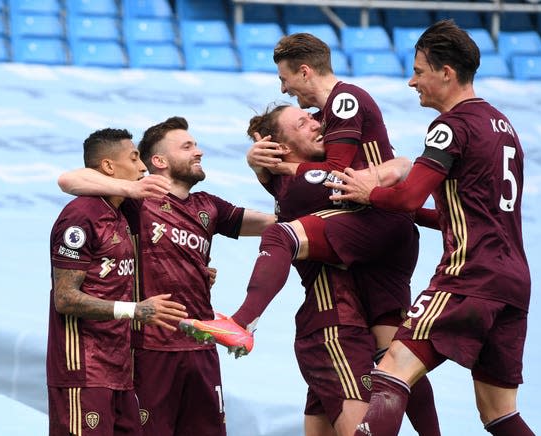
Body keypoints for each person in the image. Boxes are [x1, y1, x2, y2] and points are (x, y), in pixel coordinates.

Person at [180, 33, 441, 435]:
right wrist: (403, 173)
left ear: (304, 70)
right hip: (338, 321)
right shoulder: (301, 182)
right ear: (282, 148)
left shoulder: (337, 112)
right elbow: (331, 180)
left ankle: (243, 322)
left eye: (285, 79)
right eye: (304, 124)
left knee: (283, 238)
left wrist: (270, 166)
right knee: (397, 360)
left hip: (340, 317)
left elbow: (333, 180)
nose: (317, 123)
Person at [327, 20, 534, 436]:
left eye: (419, 71)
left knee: (391, 371)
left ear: (446, 73)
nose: (411, 81)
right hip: (513, 282)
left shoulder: (451, 126)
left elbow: (406, 197)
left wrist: (369, 193)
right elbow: (469, 214)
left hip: (469, 276)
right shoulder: (504, 127)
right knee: (500, 413)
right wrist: (403, 213)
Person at [57, 117, 276, 436]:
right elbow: (68, 180)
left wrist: (268, 174)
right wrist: (131, 188)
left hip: (201, 347)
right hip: (149, 349)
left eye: (196, 144)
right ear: (158, 160)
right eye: (187, 146)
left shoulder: (209, 206)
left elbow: (280, 226)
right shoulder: (138, 202)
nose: (198, 151)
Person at [47, 128, 188, 435]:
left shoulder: (124, 212)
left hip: (119, 370)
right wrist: (135, 311)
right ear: (109, 167)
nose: (142, 168)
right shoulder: (80, 217)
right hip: (82, 369)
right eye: (134, 158)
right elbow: (65, 298)